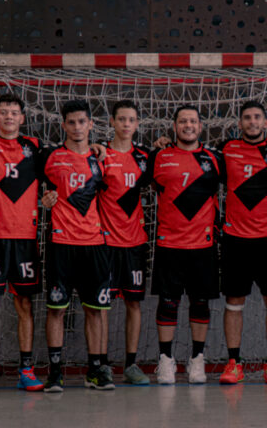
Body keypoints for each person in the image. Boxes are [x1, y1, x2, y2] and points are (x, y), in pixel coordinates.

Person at [0, 94, 44, 394]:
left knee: (24, 303)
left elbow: (72, 153)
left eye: (15, 113)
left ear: (22, 118)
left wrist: (97, 148)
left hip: (25, 236)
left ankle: (26, 369)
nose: (9, 117)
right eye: (4, 112)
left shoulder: (35, 148)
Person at [212, 101, 267, 384]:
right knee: (233, 302)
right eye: (247, 117)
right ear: (240, 123)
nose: (252, 121)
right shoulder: (225, 149)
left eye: (258, 117)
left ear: (266, 122)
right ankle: (234, 363)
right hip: (234, 240)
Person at [147, 105, 225, 384]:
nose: (188, 125)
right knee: (168, 303)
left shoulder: (215, 158)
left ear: (201, 126)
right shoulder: (158, 156)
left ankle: (197, 361)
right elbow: (148, 186)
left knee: (200, 303)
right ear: (174, 126)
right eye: (182, 121)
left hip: (203, 246)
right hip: (169, 244)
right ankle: (166, 360)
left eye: (192, 121)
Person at [42, 100, 112, 392]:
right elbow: (30, 189)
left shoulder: (102, 160)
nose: (77, 127)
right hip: (60, 243)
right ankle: (55, 372)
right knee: (56, 309)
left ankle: (95, 371)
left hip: (94, 244)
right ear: (63, 125)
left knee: (95, 310)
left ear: (90, 125)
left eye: (82, 122)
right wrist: (43, 201)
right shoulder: (50, 157)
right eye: (71, 122)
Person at [99, 100, 151, 384]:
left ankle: (131, 365)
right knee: (103, 304)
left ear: (137, 123)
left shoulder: (145, 157)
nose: (126, 124)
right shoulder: (100, 155)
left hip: (135, 243)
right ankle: (103, 364)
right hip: (106, 243)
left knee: (133, 304)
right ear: (112, 122)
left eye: (131, 119)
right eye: (121, 119)